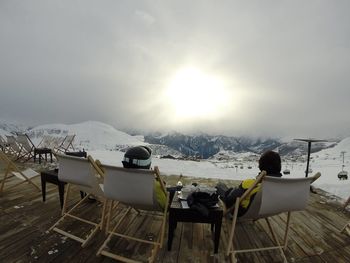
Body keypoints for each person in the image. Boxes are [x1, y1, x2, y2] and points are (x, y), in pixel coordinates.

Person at [216, 150, 282, 216]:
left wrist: (230, 192)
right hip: (265, 211)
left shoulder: (250, 184)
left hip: (241, 211)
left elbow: (230, 199)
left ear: (261, 166)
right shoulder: (281, 185)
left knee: (219, 187)